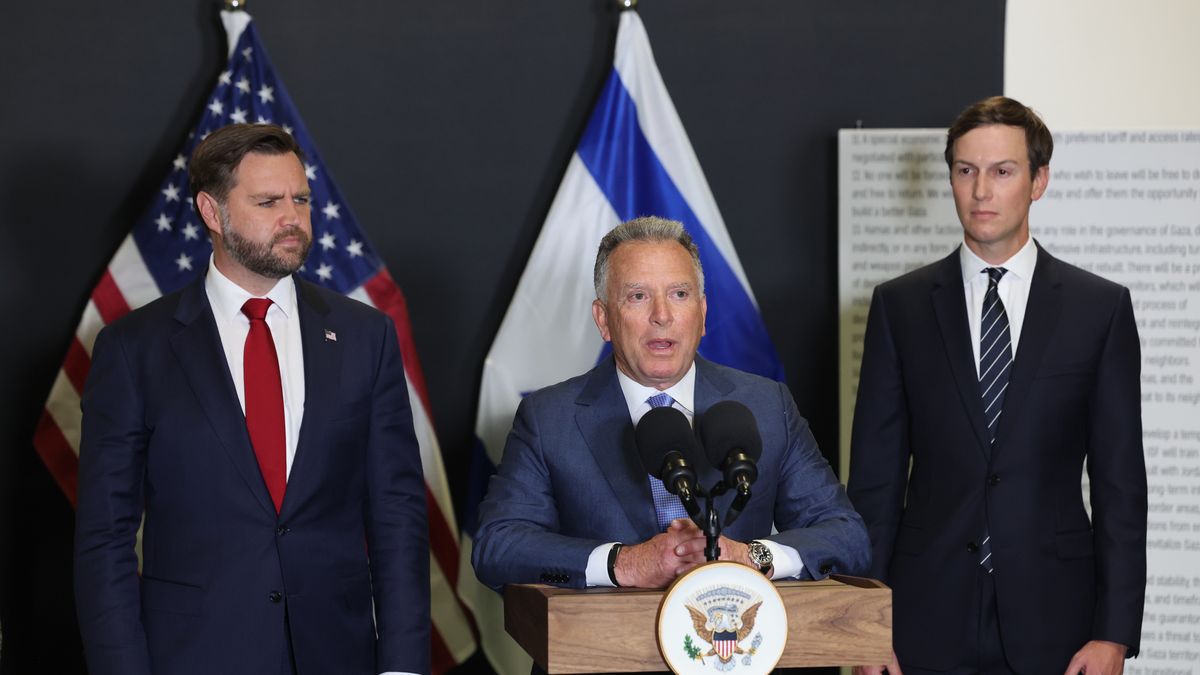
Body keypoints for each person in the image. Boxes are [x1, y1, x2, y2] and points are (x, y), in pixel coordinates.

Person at [74, 124, 430, 675]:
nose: (293, 217)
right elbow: (104, 538)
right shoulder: (133, 350)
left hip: (339, 654)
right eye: (268, 201)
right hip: (193, 657)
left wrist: (404, 665)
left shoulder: (366, 336)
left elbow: (397, 515)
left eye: (301, 199)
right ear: (212, 213)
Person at [848, 96, 1146, 675]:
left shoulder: (1099, 309)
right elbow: (875, 487)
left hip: (1058, 624)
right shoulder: (899, 307)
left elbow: (1120, 487)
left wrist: (1114, 633)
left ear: (1038, 181)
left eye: (1002, 171)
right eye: (966, 171)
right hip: (920, 620)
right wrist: (866, 628)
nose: (981, 190)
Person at [473, 216, 868, 592]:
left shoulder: (766, 405)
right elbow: (498, 546)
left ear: (702, 313)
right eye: (638, 296)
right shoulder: (549, 418)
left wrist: (751, 556)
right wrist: (624, 564)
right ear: (604, 320)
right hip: (602, 653)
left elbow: (845, 534)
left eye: (679, 294)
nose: (661, 316)